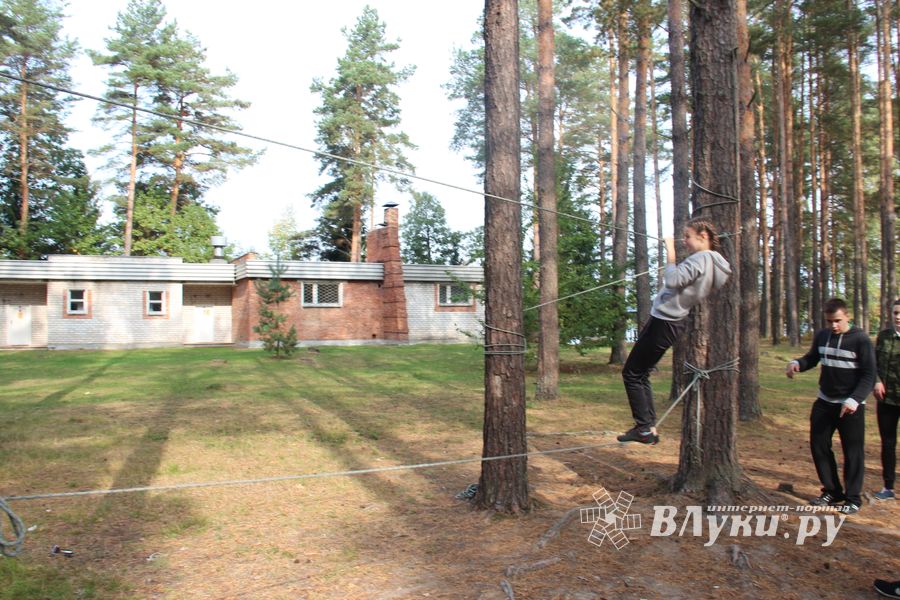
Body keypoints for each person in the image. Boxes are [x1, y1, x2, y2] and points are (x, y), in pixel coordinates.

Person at [617, 219, 732, 444]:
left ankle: (644, 429)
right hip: (671, 322)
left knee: (632, 373)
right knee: (640, 373)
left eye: (687, 236)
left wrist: (669, 250)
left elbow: (672, 280)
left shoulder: (701, 258)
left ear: (703, 236)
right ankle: (647, 427)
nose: (684, 241)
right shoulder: (714, 262)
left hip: (664, 322)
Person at [785, 297, 876, 515]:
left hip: (851, 405)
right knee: (819, 445)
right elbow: (812, 358)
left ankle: (853, 498)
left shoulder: (861, 340)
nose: (833, 325)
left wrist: (854, 400)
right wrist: (797, 363)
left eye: (837, 321)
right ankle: (832, 491)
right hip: (825, 401)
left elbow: (869, 375)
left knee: (853, 452)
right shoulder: (822, 336)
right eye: (829, 321)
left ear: (847, 317)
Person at [873, 298, 900, 501]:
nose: (898, 317)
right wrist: (876, 381)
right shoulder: (883, 336)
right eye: (895, 313)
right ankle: (888, 487)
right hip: (886, 400)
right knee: (888, 443)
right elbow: (872, 363)